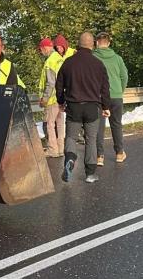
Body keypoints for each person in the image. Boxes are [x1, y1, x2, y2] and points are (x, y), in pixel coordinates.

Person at [55, 31, 110, 183]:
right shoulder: (98, 64)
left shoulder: (68, 62)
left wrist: (61, 101)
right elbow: (105, 88)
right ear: (92, 45)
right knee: (91, 139)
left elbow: (59, 84)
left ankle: (71, 159)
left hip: (74, 107)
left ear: (78, 44)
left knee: (72, 137)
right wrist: (106, 106)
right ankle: (90, 174)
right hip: (92, 107)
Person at [93, 32, 128, 165]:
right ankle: (119, 153)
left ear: (97, 42)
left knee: (98, 127)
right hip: (116, 96)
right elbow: (124, 77)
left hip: (99, 97)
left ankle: (99, 156)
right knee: (116, 125)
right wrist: (119, 90)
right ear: (108, 43)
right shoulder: (117, 58)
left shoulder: (93, 57)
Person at [38, 38, 65, 158]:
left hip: (52, 98)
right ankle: (61, 148)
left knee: (50, 124)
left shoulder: (50, 62)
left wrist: (44, 98)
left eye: (41, 50)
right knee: (60, 123)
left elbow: (50, 83)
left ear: (45, 48)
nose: (41, 53)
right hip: (62, 96)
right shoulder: (60, 59)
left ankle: (52, 149)